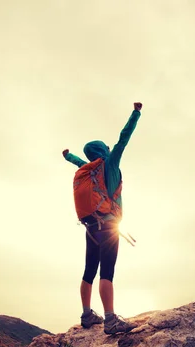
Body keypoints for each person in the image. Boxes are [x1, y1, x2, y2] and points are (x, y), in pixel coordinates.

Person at [62, 102, 142, 334]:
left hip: (90, 227)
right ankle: (110, 320)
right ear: (104, 151)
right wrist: (135, 113)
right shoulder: (111, 163)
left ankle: (87, 315)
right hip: (108, 226)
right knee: (107, 271)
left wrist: (68, 157)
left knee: (89, 270)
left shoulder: (90, 169)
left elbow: (79, 162)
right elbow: (123, 138)